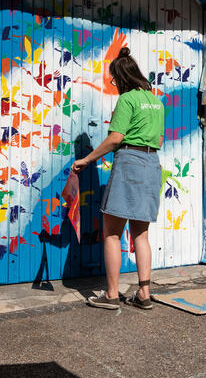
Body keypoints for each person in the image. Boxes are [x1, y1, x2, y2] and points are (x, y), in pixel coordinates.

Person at [71, 47, 165, 310]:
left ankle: (112, 295)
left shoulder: (127, 100)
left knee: (112, 232)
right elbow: (158, 140)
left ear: (120, 77)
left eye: (113, 80)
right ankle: (144, 294)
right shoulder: (155, 101)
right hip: (151, 164)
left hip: (130, 164)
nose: (113, 85)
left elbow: (116, 138)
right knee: (141, 235)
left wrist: (87, 159)